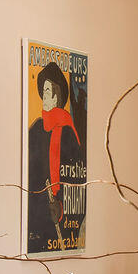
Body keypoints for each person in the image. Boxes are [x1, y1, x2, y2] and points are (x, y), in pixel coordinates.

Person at [26, 61, 85, 251]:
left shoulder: (68, 134)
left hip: (58, 219)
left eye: (48, 91)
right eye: (43, 90)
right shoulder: (35, 129)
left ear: (57, 96)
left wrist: (60, 209)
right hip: (37, 214)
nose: (44, 96)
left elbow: (76, 180)